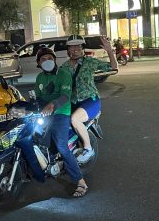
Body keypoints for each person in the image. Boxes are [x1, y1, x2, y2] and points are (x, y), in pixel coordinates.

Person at [34, 46, 89, 197]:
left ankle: (80, 181)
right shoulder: (40, 78)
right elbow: (38, 98)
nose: (47, 61)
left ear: (55, 59)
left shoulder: (63, 74)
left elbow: (65, 96)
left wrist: (52, 105)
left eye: (50, 58)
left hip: (61, 113)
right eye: (43, 59)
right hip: (45, 114)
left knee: (61, 146)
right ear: (39, 63)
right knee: (35, 138)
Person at [60, 35, 118, 163]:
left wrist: (110, 51)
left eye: (78, 46)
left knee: (74, 119)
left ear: (82, 48)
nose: (75, 49)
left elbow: (113, 67)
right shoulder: (64, 67)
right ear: (68, 49)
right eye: (72, 46)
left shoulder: (90, 62)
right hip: (72, 102)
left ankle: (88, 148)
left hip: (90, 100)